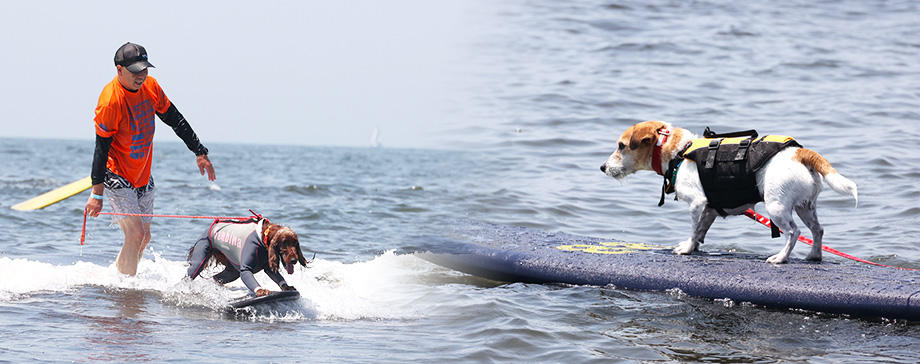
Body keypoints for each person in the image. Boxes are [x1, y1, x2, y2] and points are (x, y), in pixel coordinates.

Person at [84, 42, 216, 276]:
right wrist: (97, 194)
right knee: (135, 235)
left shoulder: (151, 87)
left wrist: (200, 151)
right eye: (135, 71)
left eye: (144, 69)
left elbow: (176, 120)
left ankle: (118, 279)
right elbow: (100, 149)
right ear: (119, 70)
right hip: (116, 174)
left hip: (143, 174)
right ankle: (127, 291)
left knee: (144, 238)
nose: (141, 76)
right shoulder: (110, 101)